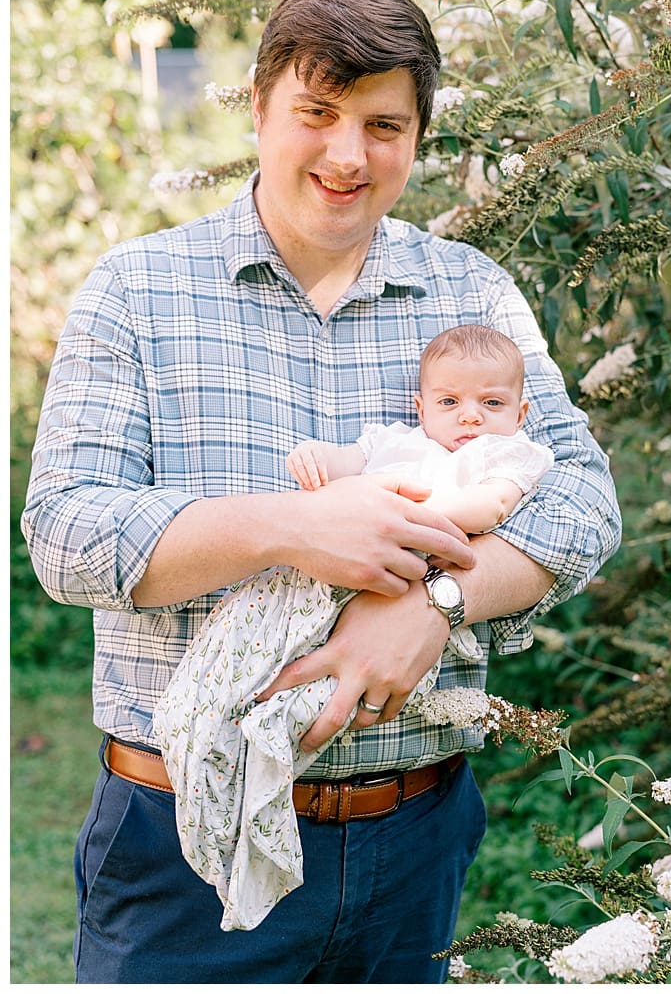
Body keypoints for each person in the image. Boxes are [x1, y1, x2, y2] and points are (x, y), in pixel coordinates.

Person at [22, 0, 620, 982]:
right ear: (259, 106)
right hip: (180, 841)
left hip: (414, 835)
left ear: (419, 135)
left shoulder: (470, 289)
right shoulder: (137, 290)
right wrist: (293, 528)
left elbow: (580, 496)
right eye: (317, 113)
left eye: (383, 124)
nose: (348, 155)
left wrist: (437, 600)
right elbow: (67, 533)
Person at [153, 324, 555, 933]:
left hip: (399, 591)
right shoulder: (398, 442)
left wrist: (383, 518)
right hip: (316, 577)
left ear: (520, 410)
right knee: (230, 665)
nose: (469, 417)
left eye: (491, 404)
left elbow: (487, 509)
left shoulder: (506, 456)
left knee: (305, 702)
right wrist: (321, 465)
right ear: (421, 407)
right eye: (450, 403)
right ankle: (213, 736)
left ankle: (258, 781)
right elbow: (340, 468)